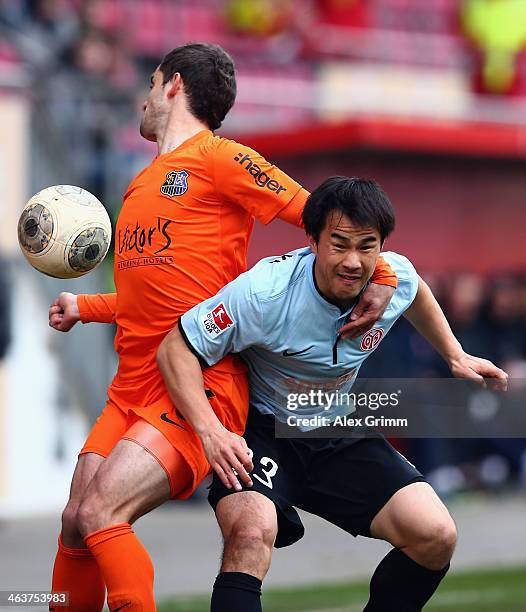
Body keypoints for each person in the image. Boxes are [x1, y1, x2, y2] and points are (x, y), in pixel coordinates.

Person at [47, 43, 397, 612]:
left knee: (100, 514)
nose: (142, 97)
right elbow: (151, 296)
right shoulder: (141, 185)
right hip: (130, 383)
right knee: (73, 522)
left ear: (173, 85)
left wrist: (379, 271)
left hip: (193, 380)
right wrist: (84, 307)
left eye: (151, 81)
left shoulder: (222, 158)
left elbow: (320, 213)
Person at [157, 176, 509, 612]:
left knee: (435, 535)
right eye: (339, 243)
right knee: (249, 535)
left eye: (367, 245)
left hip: (336, 427)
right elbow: (177, 347)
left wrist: (455, 355)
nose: (353, 261)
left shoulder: (390, 278)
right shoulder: (265, 293)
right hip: (262, 432)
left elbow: (414, 289)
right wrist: (210, 432)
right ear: (313, 240)